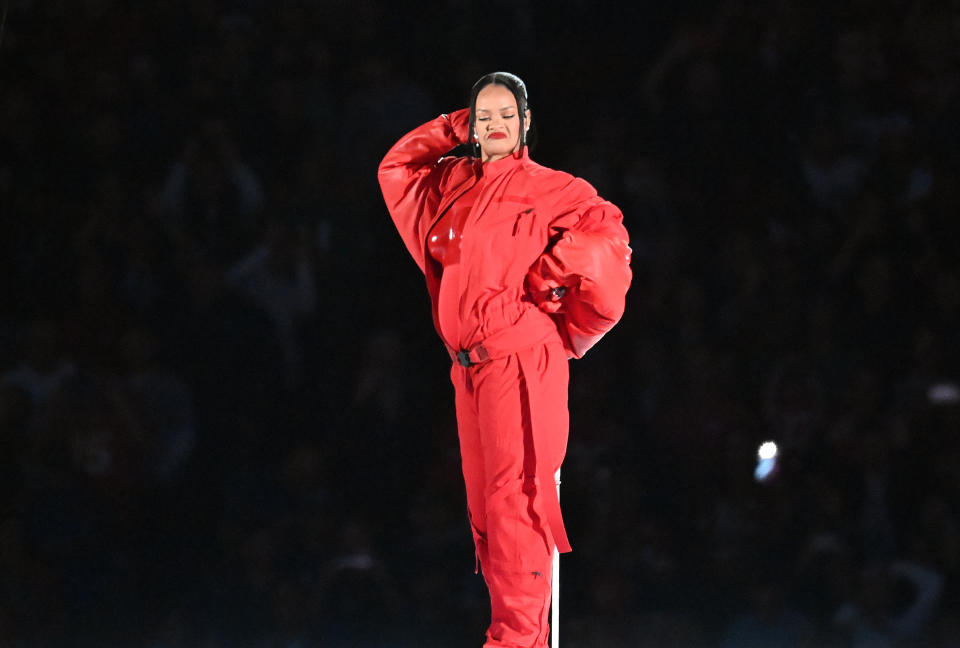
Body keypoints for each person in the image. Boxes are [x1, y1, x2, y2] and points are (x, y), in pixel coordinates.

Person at [378, 71, 632, 647]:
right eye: (482, 115)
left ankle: (516, 641)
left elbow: (606, 244)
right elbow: (395, 170)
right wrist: (455, 128)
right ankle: (517, 636)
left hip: (521, 360)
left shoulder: (551, 187)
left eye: (504, 114)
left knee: (515, 500)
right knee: (486, 514)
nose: (493, 124)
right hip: (468, 368)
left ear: (525, 124)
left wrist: (551, 287)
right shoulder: (451, 183)